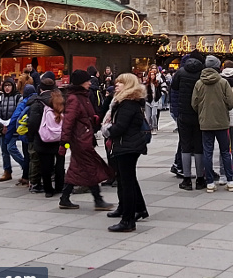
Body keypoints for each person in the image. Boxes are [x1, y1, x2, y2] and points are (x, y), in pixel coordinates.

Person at [58, 69, 114, 211]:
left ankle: (65, 198)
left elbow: (83, 116)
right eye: (87, 81)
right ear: (80, 83)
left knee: (76, 168)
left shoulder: (82, 96)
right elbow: (68, 122)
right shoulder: (74, 99)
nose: (89, 83)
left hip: (84, 138)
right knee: (90, 168)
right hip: (80, 140)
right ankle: (98, 200)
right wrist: (64, 143)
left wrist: (92, 119)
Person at [106, 73, 150, 232]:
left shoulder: (128, 104)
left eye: (120, 83)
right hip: (128, 145)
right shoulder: (124, 102)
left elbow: (120, 127)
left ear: (129, 85)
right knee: (127, 180)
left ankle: (128, 220)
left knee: (127, 183)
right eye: (116, 82)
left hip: (127, 146)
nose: (116, 85)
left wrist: (107, 131)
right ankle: (135, 210)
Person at [192, 55, 233, 192]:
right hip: (222, 122)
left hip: (205, 122)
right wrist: (224, 108)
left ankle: (210, 182)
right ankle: (230, 181)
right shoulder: (223, 82)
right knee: (225, 152)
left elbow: (194, 103)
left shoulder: (199, 83)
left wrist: (202, 112)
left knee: (207, 152)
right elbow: (231, 102)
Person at [29, 75, 66, 197]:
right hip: (60, 138)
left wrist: (31, 137)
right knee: (60, 163)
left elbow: (33, 122)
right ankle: (60, 186)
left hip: (43, 139)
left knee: (45, 165)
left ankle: (48, 190)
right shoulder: (60, 100)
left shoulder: (37, 102)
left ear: (40, 88)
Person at [175, 51, 207, 190]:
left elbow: (174, 87)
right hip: (199, 113)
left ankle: (186, 179)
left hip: (184, 113)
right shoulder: (202, 73)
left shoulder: (181, 72)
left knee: (185, 146)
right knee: (199, 146)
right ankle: (200, 179)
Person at [0, 78, 22, 182]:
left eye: (9, 85)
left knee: (11, 148)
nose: (7, 88)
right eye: (5, 86)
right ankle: (7, 170)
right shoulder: (0, 98)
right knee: (4, 151)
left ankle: (25, 165)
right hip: (2, 128)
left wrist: (10, 125)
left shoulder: (17, 97)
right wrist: (1, 126)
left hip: (13, 127)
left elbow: (18, 112)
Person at [143, 67, 163, 133]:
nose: (152, 76)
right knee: (148, 116)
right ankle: (149, 127)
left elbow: (160, 90)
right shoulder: (146, 84)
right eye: (151, 75)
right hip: (148, 101)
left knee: (154, 115)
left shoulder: (157, 83)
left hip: (155, 100)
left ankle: (154, 127)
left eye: (153, 75)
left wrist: (159, 96)